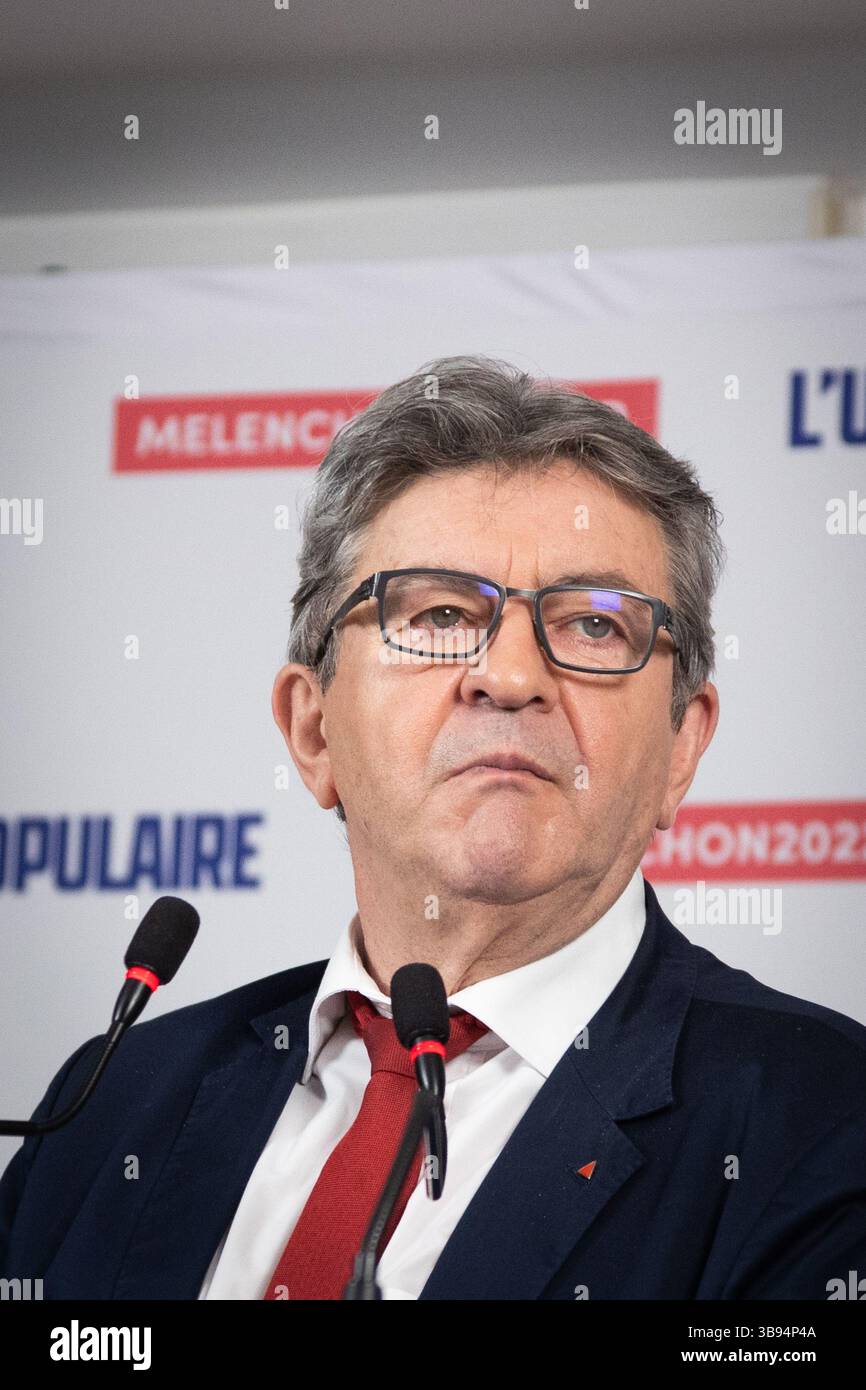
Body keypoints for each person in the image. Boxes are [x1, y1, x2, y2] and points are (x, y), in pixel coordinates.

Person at [2, 355, 864, 1300]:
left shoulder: (824, 1122)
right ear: (314, 729)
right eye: (442, 612)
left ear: (680, 749)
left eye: (591, 626)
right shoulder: (109, 1105)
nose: (510, 675)